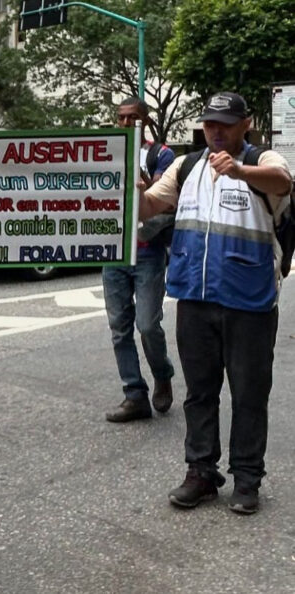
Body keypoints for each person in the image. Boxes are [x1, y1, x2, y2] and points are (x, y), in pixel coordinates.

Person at [140, 91, 293, 514]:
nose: (217, 131)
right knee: (200, 393)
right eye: (210, 123)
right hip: (193, 297)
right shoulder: (186, 166)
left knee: (248, 395)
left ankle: (247, 480)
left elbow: (284, 183)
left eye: (226, 123)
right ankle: (201, 472)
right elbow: (152, 204)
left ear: (246, 125)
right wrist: (134, 194)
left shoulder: (263, 162)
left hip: (250, 303)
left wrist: (241, 171)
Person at [103, 97, 176, 423]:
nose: (125, 124)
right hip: (114, 251)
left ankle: (162, 374)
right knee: (120, 329)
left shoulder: (161, 155)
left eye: (132, 118)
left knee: (147, 325)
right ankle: (135, 395)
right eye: (121, 118)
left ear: (145, 121)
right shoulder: (104, 152)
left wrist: (145, 186)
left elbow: (162, 198)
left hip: (147, 252)